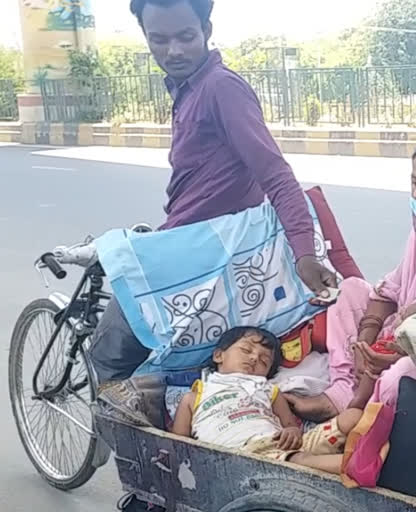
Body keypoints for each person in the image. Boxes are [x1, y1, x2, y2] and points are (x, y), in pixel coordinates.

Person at [89, 0, 336, 384]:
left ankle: (119, 444)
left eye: (186, 36)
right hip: (185, 243)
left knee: (108, 359)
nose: (174, 50)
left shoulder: (221, 88)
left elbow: (276, 174)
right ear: (145, 37)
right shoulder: (188, 88)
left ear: (206, 29)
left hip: (197, 261)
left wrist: (304, 253)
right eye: (159, 39)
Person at [285, 135, 416, 422]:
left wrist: (400, 348)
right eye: (414, 182)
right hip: (396, 333)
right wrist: (364, 342)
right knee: (350, 289)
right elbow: (390, 291)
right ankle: (344, 389)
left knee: (401, 376)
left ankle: (363, 405)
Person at [172, 326, 363, 474]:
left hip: (283, 445)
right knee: (299, 461)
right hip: (242, 456)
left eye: (264, 360)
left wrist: (292, 431)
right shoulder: (194, 397)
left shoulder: (268, 390)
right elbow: (178, 444)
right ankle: (356, 464)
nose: (255, 357)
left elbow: (290, 424)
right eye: (246, 350)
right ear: (218, 355)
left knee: (353, 416)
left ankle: (357, 452)